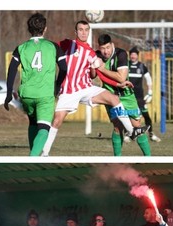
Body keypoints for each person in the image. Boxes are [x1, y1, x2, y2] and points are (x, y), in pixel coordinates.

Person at [41, 20, 148, 156]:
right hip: (69, 90)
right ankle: (44, 153)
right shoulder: (68, 44)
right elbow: (52, 47)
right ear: (76, 32)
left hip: (86, 88)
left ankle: (131, 131)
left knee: (114, 99)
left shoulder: (92, 53)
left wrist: (117, 84)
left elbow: (99, 75)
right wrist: (40, 42)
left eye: (86, 30)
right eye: (81, 30)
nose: (84, 32)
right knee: (57, 121)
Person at [4, 12, 67, 156]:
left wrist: (8, 93)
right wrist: (57, 86)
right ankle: (33, 157)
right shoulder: (53, 47)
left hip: (26, 95)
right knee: (44, 128)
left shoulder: (21, 48)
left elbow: (12, 70)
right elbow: (64, 68)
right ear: (44, 28)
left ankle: (34, 154)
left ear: (29, 29)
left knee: (33, 123)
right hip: (45, 94)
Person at [94, 34, 152, 156]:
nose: (105, 51)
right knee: (117, 126)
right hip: (110, 97)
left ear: (112, 45)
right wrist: (93, 64)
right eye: (103, 48)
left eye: (108, 47)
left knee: (137, 126)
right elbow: (93, 75)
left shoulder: (121, 54)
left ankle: (148, 158)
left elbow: (122, 78)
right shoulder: (97, 55)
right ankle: (117, 160)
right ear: (99, 48)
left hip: (127, 95)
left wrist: (103, 69)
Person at [128, 47, 159, 142]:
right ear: (130, 55)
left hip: (140, 97)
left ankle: (151, 134)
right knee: (128, 116)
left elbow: (148, 79)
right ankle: (128, 134)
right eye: (131, 54)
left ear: (137, 55)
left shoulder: (142, 66)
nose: (133, 56)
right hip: (128, 96)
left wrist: (150, 92)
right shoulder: (126, 66)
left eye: (135, 54)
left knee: (146, 115)